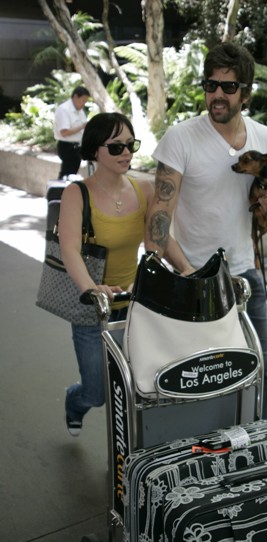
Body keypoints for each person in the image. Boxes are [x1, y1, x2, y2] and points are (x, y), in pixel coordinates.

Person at [144, 42, 267, 424]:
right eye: (211, 85)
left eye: (228, 86)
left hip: (245, 276)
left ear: (246, 93)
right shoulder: (181, 139)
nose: (217, 94)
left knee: (260, 371)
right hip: (191, 279)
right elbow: (157, 227)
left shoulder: (264, 140)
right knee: (197, 382)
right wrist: (189, 273)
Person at [58, 112, 153, 437]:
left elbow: (158, 243)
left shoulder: (144, 190)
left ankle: (131, 454)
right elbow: (69, 248)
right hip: (92, 309)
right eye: (116, 147)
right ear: (95, 150)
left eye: (130, 145)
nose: (126, 153)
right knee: (96, 392)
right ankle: (75, 401)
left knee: (135, 387)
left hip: (133, 305)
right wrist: (93, 289)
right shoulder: (76, 193)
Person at [54, 86, 90, 179]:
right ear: (75, 97)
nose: (83, 104)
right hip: (67, 146)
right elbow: (64, 132)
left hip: (78, 146)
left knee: (73, 174)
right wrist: (82, 126)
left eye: (85, 101)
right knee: (66, 174)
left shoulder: (80, 111)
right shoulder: (64, 110)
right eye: (83, 100)